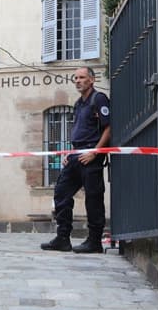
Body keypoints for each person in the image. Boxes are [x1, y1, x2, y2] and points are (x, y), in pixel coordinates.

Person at [41, 67, 111, 254]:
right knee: (61, 193)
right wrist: (70, 154)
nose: (78, 81)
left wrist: (95, 153)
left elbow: (108, 128)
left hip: (90, 157)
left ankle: (94, 241)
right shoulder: (79, 103)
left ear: (92, 80)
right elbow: (80, 131)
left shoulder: (99, 99)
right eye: (76, 78)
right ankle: (62, 238)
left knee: (93, 198)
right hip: (76, 155)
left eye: (82, 77)